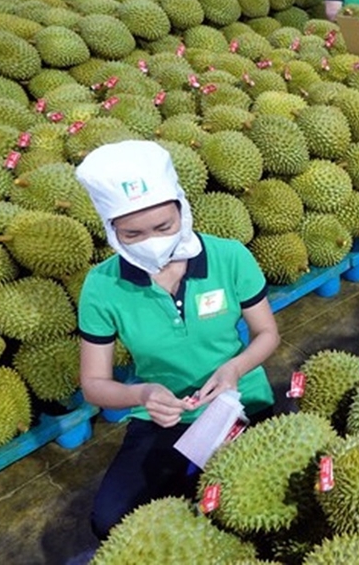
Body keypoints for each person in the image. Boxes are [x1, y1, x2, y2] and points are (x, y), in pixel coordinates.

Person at [74, 140, 280, 540]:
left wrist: (234, 368)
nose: (152, 240)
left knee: (252, 513)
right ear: (111, 230)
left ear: (183, 210)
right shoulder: (102, 285)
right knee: (111, 522)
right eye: (133, 233)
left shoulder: (229, 256)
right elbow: (94, 384)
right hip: (162, 417)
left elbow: (267, 333)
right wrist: (143, 394)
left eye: (164, 227)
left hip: (238, 404)